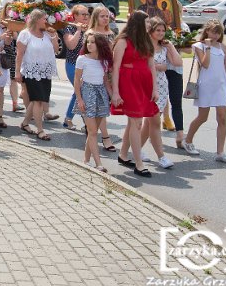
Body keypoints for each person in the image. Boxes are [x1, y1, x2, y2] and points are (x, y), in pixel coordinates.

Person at [183, 20, 226, 163]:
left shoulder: (223, 48)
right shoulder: (199, 46)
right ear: (207, 31)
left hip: (221, 86)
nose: (215, 35)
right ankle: (187, 140)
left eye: (218, 33)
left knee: (222, 117)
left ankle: (220, 152)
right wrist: (208, 48)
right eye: (213, 32)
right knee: (203, 117)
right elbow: (205, 64)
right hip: (206, 86)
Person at [114, 11, 158, 178]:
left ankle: (123, 154)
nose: (149, 25)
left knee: (133, 121)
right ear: (138, 23)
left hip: (143, 83)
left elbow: (151, 65)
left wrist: (154, 88)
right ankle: (139, 164)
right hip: (128, 82)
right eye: (147, 22)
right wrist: (115, 92)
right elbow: (115, 67)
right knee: (136, 122)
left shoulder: (147, 40)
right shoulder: (123, 41)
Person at [74, 32, 116, 172]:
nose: (89, 45)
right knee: (92, 131)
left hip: (101, 95)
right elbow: (77, 80)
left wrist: (112, 96)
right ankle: (98, 164)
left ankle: (86, 160)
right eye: (88, 42)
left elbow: (105, 81)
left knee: (93, 131)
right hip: (87, 94)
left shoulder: (104, 61)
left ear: (100, 45)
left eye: (93, 42)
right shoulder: (82, 59)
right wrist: (79, 99)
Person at [16, 9, 59, 142]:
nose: (46, 21)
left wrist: (54, 36)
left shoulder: (47, 34)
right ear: (36, 20)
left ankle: (25, 123)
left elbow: (56, 50)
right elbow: (19, 54)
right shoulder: (25, 34)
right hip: (31, 72)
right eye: (44, 19)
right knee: (38, 100)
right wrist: (17, 72)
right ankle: (40, 130)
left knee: (37, 100)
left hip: (45, 71)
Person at [142, 17, 177, 169]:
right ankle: (161, 157)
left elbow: (177, 62)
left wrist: (171, 47)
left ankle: (136, 149)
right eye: (158, 30)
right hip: (148, 88)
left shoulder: (164, 47)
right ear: (151, 31)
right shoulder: (145, 47)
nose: (161, 33)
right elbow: (142, 65)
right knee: (155, 123)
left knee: (148, 123)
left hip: (162, 87)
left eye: (163, 31)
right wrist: (155, 66)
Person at [61, 5, 90, 131]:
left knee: (79, 92)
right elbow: (71, 45)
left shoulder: (90, 29)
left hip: (87, 66)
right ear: (75, 16)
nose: (86, 17)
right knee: (80, 91)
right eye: (83, 14)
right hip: (73, 64)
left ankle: (69, 119)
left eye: (87, 14)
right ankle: (85, 121)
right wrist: (78, 30)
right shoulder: (69, 28)